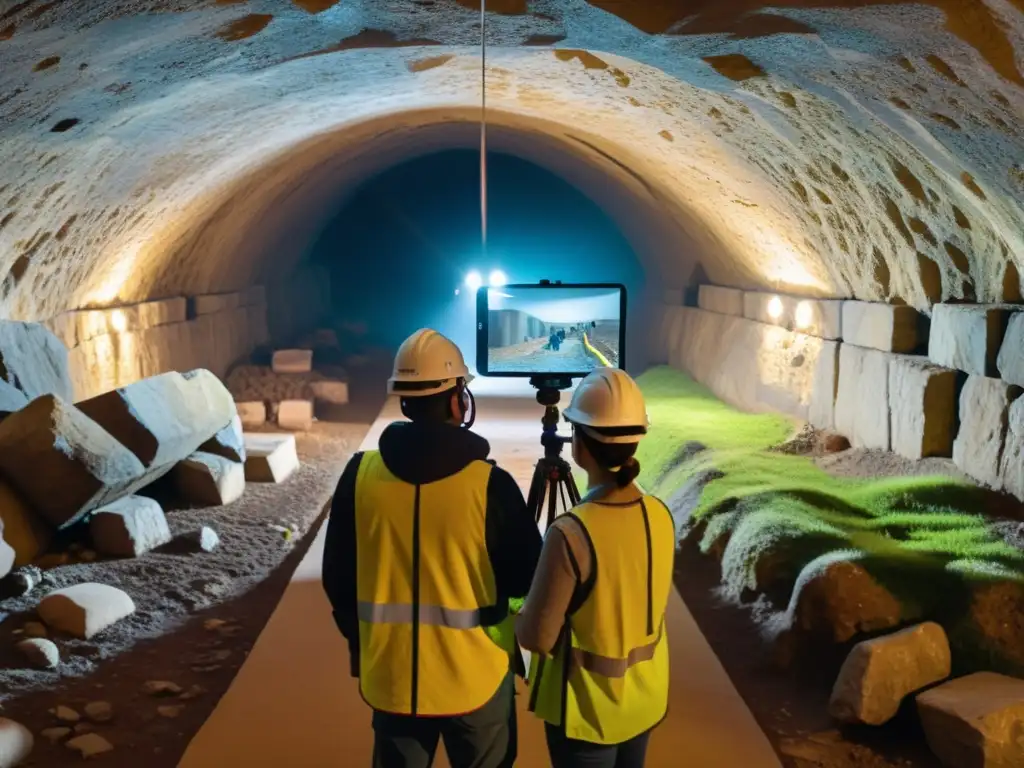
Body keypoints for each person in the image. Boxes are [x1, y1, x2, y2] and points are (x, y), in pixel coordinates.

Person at [322, 328, 543, 768]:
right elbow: (526, 578)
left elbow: (338, 580)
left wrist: (367, 642)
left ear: (403, 399)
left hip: (391, 677)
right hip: (475, 677)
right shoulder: (489, 485)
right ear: (455, 401)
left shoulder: (359, 477)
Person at [517, 368, 674, 768]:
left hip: (587, 711)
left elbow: (536, 636)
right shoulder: (660, 515)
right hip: (644, 702)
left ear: (580, 445)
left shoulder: (571, 532)